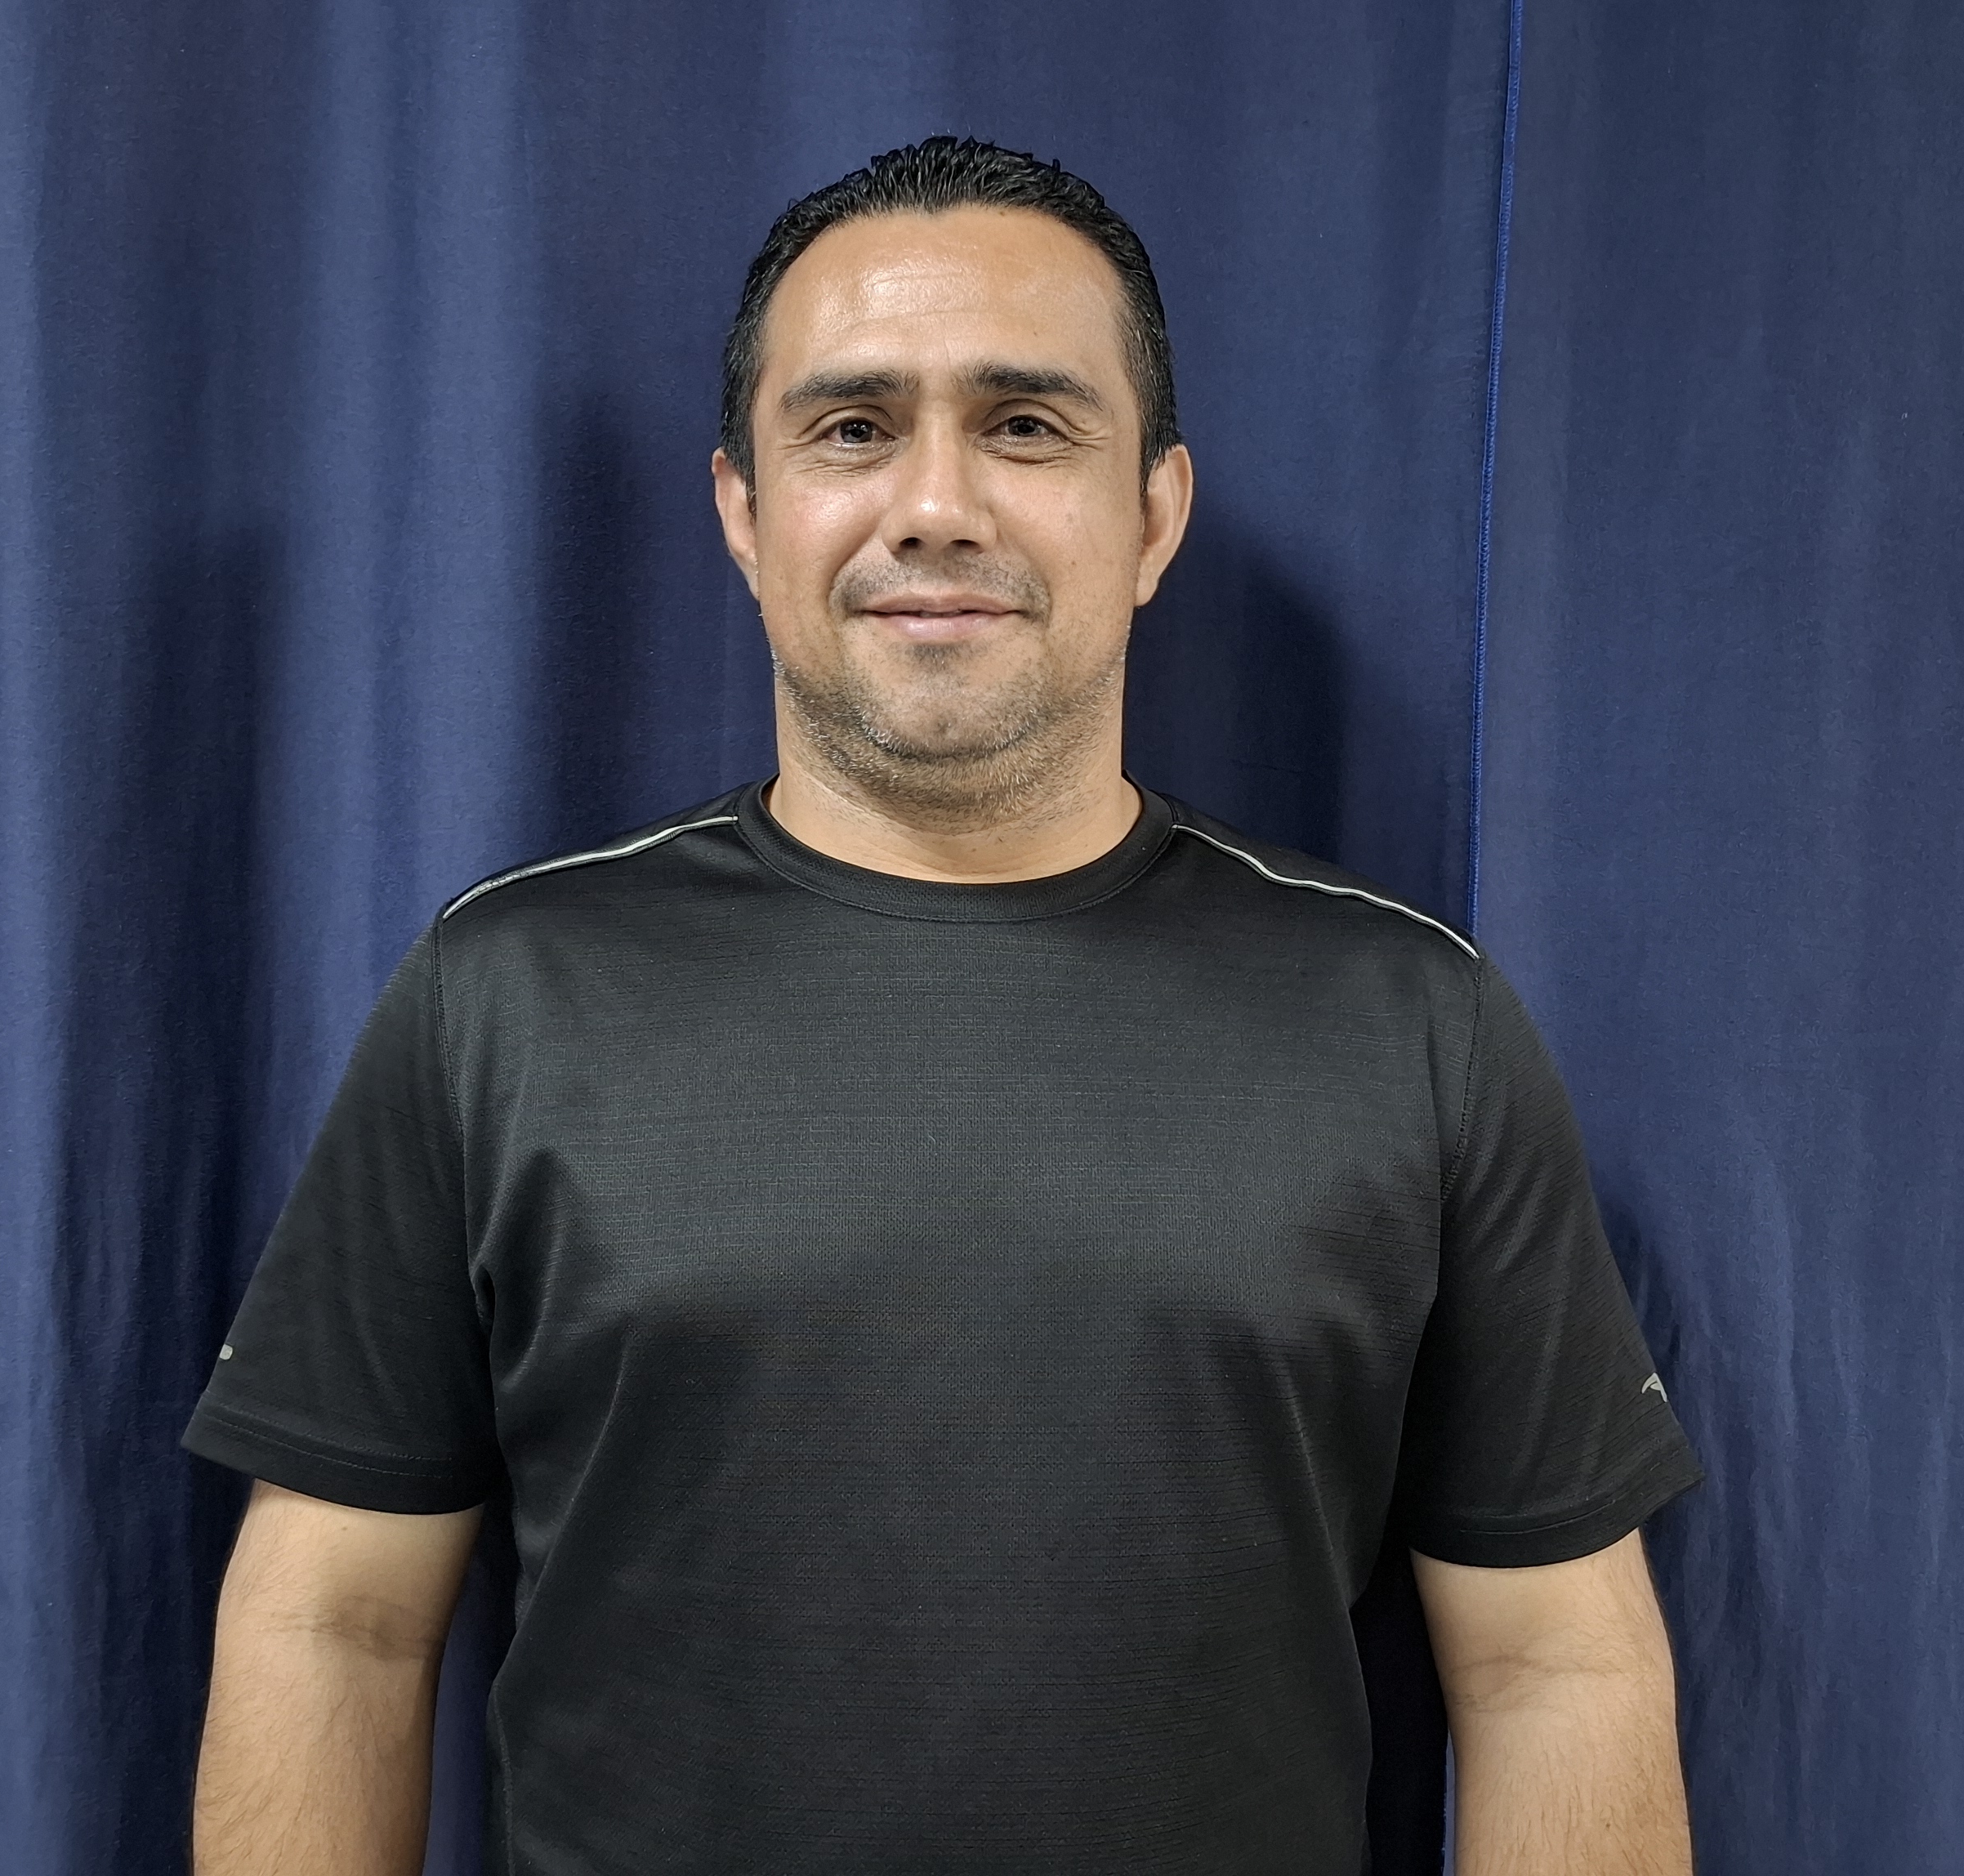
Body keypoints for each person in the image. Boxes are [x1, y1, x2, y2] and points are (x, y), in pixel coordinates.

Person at [183, 135, 1702, 1876]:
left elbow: (1552, 1664)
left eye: (1026, 424)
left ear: (1155, 515)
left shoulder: (1410, 1018)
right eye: (851, 428)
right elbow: (334, 1625)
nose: (934, 505)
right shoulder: (504, 995)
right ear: (745, 515)